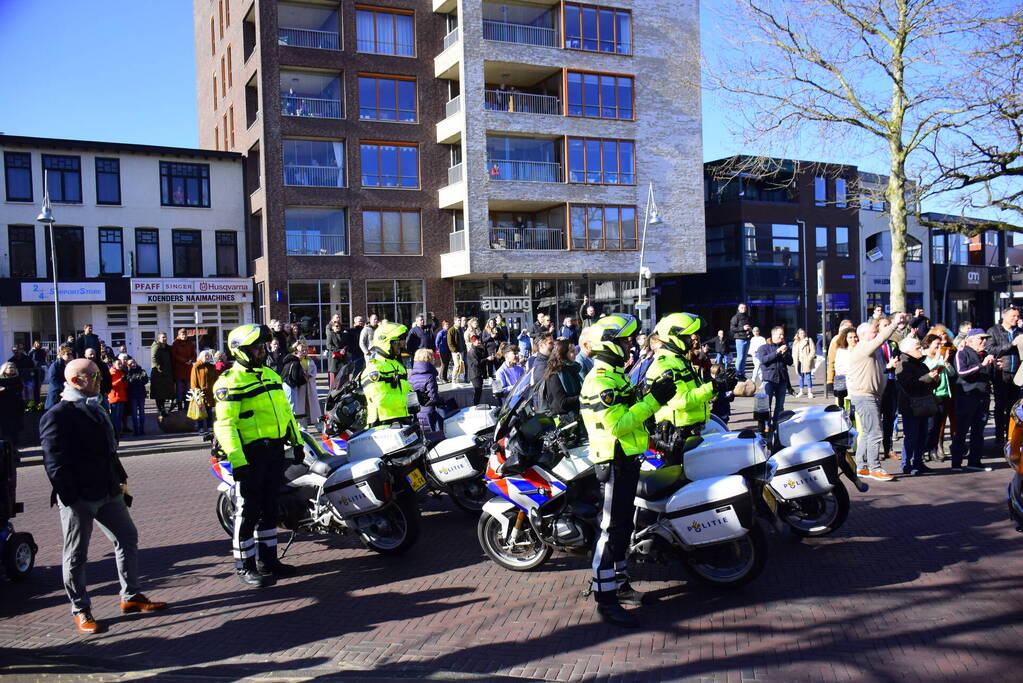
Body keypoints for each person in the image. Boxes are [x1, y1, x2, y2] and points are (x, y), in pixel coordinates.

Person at [42, 358, 167, 633]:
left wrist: (120, 481)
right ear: (76, 381)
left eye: (98, 374)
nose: (99, 380)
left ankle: (131, 596)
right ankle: (81, 609)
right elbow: (54, 464)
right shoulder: (57, 415)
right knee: (76, 555)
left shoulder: (97, 406)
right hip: (81, 497)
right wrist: (72, 497)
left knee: (127, 537)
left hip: (108, 490)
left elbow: (109, 452)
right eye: (93, 376)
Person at [579, 313, 676, 628]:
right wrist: (652, 402)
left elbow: (633, 414)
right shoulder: (600, 380)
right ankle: (605, 600)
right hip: (613, 462)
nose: (630, 344)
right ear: (609, 343)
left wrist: (654, 397)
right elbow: (619, 424)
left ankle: (619, 584)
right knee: (609, 531)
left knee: (622, 529)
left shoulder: (617, 376)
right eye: (624, 340)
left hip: (627, 460)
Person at [214, 324, 304, 587]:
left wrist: (297, 442)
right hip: (249, 454)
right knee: (247, 511)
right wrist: (238, 461)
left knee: (269, 508)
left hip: (274, 450)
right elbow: (225, 425)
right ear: (239, 351)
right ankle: (245, 566)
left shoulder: (270, 375)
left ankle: (268, 560)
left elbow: (285, 412)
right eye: (255, 348)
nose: (260, 352)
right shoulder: (230, 382)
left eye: (262, 346)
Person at [646, 314, 736, 464]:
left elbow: (697, 391)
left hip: (690, 431)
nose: (691, 340)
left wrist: (720, 384)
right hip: (675, 436)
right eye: (687, 336)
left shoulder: (680, 361)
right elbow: (681, 400)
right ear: (673, 337)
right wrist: (715, 386)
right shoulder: (665, 365)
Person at [848, 316, 905, 482]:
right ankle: (874, 468)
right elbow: (882, 338)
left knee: (867, 432)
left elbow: (875, 370)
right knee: (875, 432)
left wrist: (888, 367)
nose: (877, 334)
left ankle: (861, 466)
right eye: (874, 332)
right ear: (864, 335)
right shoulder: (864, 347)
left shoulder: (871, 351)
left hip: (870, 395)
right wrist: (895, 323)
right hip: (865, 396)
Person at [950, 329, 996, 472]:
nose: (984, 341)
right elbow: (962, 373)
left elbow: (988, 376)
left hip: (983, 397)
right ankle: (956, 463)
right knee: (962, 430)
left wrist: (995, 367)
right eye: (980, 339)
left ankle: (975, 461)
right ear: (970, 340)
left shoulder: (986, 354)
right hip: (967, 397)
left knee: (978, 431)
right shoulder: (962, 353)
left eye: (985, 339)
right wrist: (982, 365)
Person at [896, 336, 942, 475]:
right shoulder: (903, 365)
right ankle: (906, 464)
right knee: (911, 436)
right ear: (908, 351)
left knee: (922, 436)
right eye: (917, 348)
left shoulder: (920, 364)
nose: (921, 349)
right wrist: (929, 377)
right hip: (911, 406)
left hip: (924, 404)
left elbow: (930, 384)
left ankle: (918, 462)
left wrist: (935, 378)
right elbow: (910, 385)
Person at [361, 323, 413, 426]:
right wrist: (410, 399)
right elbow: (381, 400)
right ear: (386, 343)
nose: (400, 346)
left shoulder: (398, 366)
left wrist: (418, 395)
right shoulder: (374, 369)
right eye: (397, 343)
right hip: (382, 424)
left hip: (401, 420)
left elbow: (405, 390)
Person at [986, 306, 1021, 448]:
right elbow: (991, 349)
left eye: (1018, 316)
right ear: (1004, 316)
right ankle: (999, 437)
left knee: (1014, 407)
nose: (1016, 318)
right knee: (1000, 406)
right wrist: (1011, 344)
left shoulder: (1019, 332)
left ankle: (1011, 435)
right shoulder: (993, 331)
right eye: (1013, 316)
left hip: (1017, 374)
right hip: (1001, 373)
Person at [922, 333, 953, 458]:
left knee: (938, 426)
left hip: (943, 394)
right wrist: (939, 359)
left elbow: (951, 373)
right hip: (931, 395)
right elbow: (929, 368)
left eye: (941, 344)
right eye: (937, 344)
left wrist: (946, 363)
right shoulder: (924, 358)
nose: (939, 347)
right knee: (930, 426)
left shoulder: (940, 358)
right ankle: (924, 450)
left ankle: (933, 450)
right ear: (928, 344)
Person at [757, 326, 793, 425]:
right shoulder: (764, 347)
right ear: (773, 335)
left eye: (783, 334)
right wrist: (777, 352)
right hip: (769, 380)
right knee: (766, 406)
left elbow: (790, 362)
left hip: (782, 380)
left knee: (780, 406)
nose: (782, 336)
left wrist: (785, 354)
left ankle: (777, 425)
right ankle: (766, 427)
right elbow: (764, 360)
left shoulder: (785, 347)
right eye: (780, 334)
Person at [540, 340, 584, 418]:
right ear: (563, 354)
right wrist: (583, 396)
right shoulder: (554, 374)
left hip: (577, 413)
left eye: (575, 351)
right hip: (565, 418)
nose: (575, 354)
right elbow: (562, 402)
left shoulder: (573, 368)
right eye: (572, 351)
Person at [282, 343, 321, 429]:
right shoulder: (296, 361)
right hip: (301, 387)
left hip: (310, 385)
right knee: (300, 407)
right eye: (302, 350)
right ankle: (302, 425)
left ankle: (317, 424)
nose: (304, 352)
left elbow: (314, 371)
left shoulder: (310, 360)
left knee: (313, 406)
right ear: (297, 352)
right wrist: (303, 378)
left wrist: (310, 376)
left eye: (305, 350)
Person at [878, 319, 901, 461]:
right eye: (885, 326)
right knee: (876, 419)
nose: (888, 328)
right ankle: (876, 451)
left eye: (889, 325)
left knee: (889, 417)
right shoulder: (874, 345)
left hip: (892, 382)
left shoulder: (893, 343)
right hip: (879, 384)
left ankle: (888, 449)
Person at [409, 348, 443, 433]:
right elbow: (433, 398)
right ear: (429, 359)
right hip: (429, 413)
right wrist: (442, 400)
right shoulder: (430, 376)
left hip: (417, 413)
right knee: (433, 436)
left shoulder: (411, 377)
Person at [189, 350, 218, 431]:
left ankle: (209, 427)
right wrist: (195, 391)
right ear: (201, 357)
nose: (207, 357)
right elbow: (193, 380)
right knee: (200, 410)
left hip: (209, 392)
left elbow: (216, 379)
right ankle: (200, 427)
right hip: (200, 392)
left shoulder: (212, 366)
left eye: (208, 356)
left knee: (209, 411)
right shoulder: (196, 366)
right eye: (206, 356)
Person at [826, 319, 854, 395]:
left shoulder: (854, 339)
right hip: (841, 377)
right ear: (841, 329)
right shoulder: (836, 340)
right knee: (841, 401)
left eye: (851, 328)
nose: (850, 330)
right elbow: (831, 361)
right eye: (848, 329)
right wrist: (830, 381)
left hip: (853, 377)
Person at [149, 333, 175, 416]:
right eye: (163, 337)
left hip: (166, 373)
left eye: (165, 337)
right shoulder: (156, 346)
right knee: (159, 394)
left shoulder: (167, 347)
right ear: (158, 338)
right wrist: (160, 369)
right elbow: (154, 358)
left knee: (165, 392)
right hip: (158, 374)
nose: (165, 339)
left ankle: (164, 409)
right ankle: (160, 410)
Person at [170, 329, 196, 409]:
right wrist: (185, 361)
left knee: (188, 389)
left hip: (188, 370)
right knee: (179, 390)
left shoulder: (190, 343)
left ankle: (187, 406)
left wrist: (191, 360)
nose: (184, 336)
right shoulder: (175, 343)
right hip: (179, 370)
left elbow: (194, 354)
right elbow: (174, 355)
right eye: (182, 335)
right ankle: (179, 406)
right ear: (179, 335)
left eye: (185, 335)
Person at [0, 362, 25, 446]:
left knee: (15, 427)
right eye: (9, 367)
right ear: (5, 369)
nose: (11, 369)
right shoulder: (1, 379)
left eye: (13, 367)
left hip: (15, 405)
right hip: (4, 406)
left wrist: (6, 389)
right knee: (5, 426)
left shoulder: (17, 378)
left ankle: (15, 444)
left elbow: (19, 389)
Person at [833, 327, 858, 410]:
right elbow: (838, 368)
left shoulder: (861, 349)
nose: (853, 339)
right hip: (845, 384)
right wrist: (852, 370)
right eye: (850, 337)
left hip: (859, 385)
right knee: (844, 409)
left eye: (855, 337)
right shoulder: (841, 351)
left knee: (855, 410)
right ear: (845, 339)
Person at [45, 345, 75, 410]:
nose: (70, 355)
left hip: (64, 392)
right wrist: (62, 389)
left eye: (71, 354)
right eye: (67, 354)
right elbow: (52, 379)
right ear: (62, 355)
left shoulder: (68, 365)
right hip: (56, 391)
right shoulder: (56, 365)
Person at [124, 358, 149, 436]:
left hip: (141, 394)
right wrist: (136, 379)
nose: (133, 364)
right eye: (130, 364)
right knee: (134, 414)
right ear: (128, 365)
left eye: (133, 362)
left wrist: (137, 379)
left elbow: (145, 380)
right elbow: (129, 381)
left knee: (142, 412)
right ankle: (136, 430)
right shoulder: (128, 372)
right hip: (132, 395)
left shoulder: (142, 371)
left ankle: (142, 429)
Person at [729, 303, 754, 376]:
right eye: (742, 307)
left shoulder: (748, 317)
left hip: (747, 338)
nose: (744, 309)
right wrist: (743, 328)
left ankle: (742, 373)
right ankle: (737, 373)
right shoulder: (735, 317)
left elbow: (751, 326)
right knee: (740, 357)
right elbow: (732, 329)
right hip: (740, 339)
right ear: (738, 309)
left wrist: (750, 329)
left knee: (745, 357)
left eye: (745, 307)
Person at [107, 358, 128, 438]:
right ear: (114, 365)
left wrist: (125, 380)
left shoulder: (121, 372)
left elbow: (125, 386)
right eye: (118, 364)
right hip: (114, 397)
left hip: (121, 397)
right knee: (115, 416)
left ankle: (118, 432)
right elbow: (111, 385)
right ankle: (115, 433)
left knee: (119, 416)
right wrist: (120, 380)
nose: (120, 365)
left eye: (121, 363)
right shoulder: (111, 372)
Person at [465, 335, 488, 406]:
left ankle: (477, 404)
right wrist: (487, 359)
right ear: (473, 342)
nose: (480, 341)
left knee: (479, 391)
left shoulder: (478, 349)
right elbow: (477, 363)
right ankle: (475, 405)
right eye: (478, 340)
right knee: (477, 391)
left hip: (478, 373)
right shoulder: (472, 352)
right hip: (474, 374)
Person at [793, 329, 816, 398]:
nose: (802, 334)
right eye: (800, 333)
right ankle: (801, 391)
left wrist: (809, 358)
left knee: (808, 377)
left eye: (803, 333)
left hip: (806, 361)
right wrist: (794, 360)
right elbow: (794, 352)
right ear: (798, 334)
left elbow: (813, 350)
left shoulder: (809, 340)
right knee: (800, 377)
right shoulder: (796, 342)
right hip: (799, 361)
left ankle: (810, 392)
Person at [325, 318, 348, 389]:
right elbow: (328, 345)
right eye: (336, 326)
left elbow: (346, 344)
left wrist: (344, 349)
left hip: (342, 359)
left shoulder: (343, 334)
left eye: (339, 326)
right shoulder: (331, 334)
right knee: (333, 380)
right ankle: (332, 394)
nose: (338, 327)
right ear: (332, 327)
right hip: (334, 360)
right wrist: (339, 350)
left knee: (342, 378)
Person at [28, 340, 47, 407]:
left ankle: (38, 400)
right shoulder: (32, 351)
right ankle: (34, 401)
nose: (38, 345)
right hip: (34, 370)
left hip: (40, 369)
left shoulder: (42, 351)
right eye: (37, 344)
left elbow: (43, 359)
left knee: (39, 384)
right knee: (34, 385)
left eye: (39, 344)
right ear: (34, 344)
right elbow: (29, 359)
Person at [448, 317, 467, 383]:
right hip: (455, 352)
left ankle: (457, 380)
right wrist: (455, 351)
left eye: (460, 320)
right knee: (457, 365)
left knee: (461, 366)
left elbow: (463, 340)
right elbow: (450, 343)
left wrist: (464, 348)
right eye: (458, 320)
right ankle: (453, 380)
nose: (460, 322)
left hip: (461, 350)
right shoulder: (451, 330)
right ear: (455, 321)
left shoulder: (460, 329)